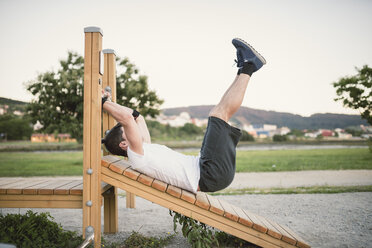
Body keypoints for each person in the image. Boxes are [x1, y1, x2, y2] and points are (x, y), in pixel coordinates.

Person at [101, 38, 266, 193]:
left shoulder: (144, 148)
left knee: (218, 112)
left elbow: (137, 117)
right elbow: (128, 119)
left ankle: (243, 68)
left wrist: (110, 101)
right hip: (208, 174)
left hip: (206, 168)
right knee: (218, 115)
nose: (133, 128)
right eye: (126, 130)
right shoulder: (136, 155)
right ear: (124, 144)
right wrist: (103, 103)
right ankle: (249, 66)